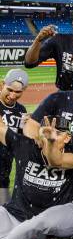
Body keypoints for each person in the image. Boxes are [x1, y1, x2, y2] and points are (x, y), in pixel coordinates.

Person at [0, 116, 73, 239]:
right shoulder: (23, 145)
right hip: (12, 214)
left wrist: (50, 143)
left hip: (39, 228)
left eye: (58, 133)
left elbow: (55, 160)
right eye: (48, 132)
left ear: (67, 138)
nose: (52, 136)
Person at [0, 69, 28, 205]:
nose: (12, 95)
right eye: (9, 90)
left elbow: (21, 139)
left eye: (18, 92)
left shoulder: (21, 110)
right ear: (2, 85)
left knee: (3, 209)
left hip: (4, 170)